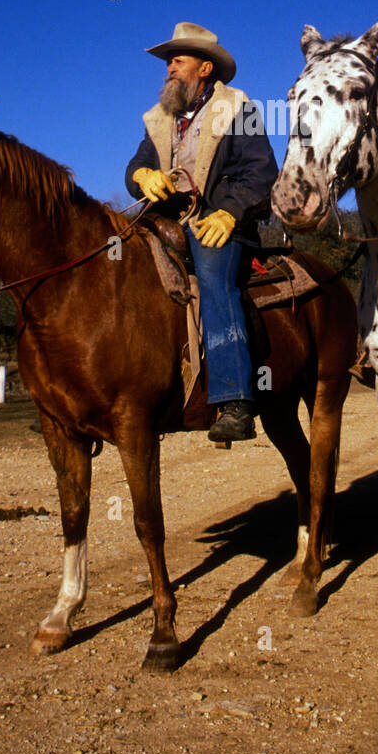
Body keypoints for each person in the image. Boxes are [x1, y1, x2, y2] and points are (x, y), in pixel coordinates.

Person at [125, 22, 278, 440]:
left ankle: (235, 401)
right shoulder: (158, 119)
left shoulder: (238, 109)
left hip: (218, 223)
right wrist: (142, 176)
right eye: (168, 63)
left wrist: (229, 213)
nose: (169, 69)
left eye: (178, 61)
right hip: (166, 220)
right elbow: (134, 166)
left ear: (204, 68)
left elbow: (261, 171)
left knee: (213, 277)